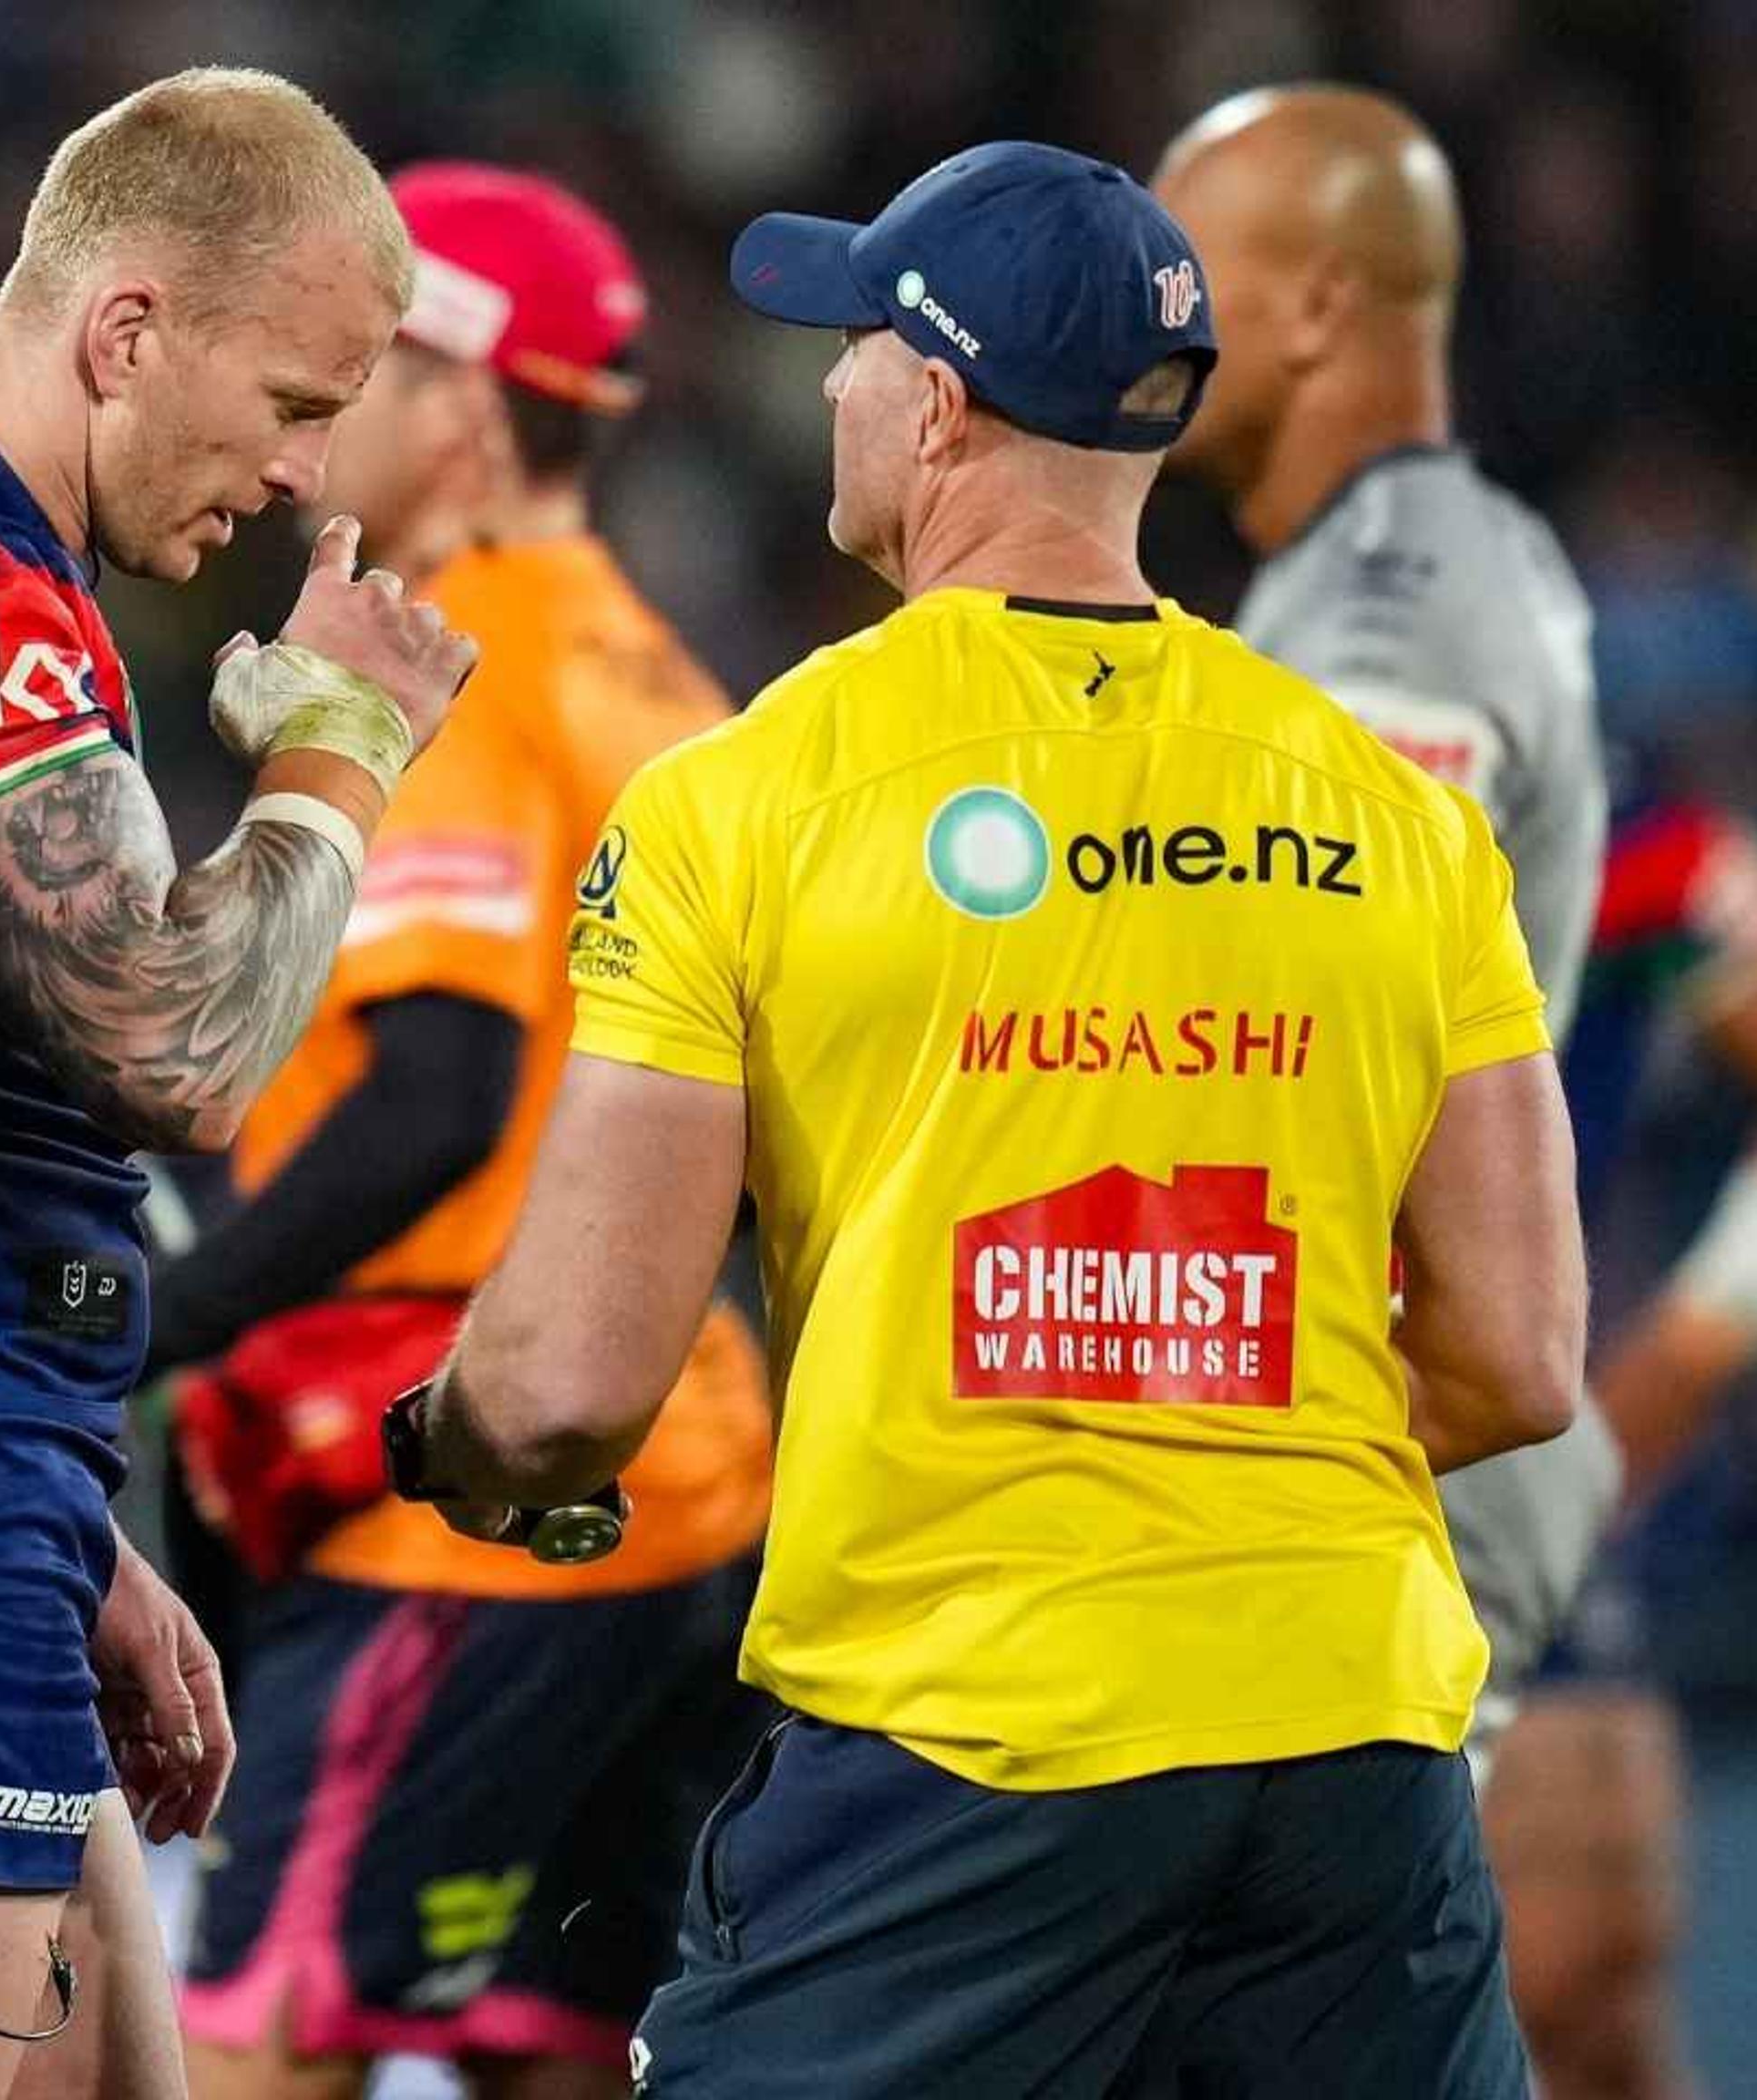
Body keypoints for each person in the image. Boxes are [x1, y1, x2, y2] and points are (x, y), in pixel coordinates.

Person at [392, 143, 1579, 2096]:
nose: (831, 382)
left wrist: (441, 1441)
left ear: (936, 405)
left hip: (964, 1750)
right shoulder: (1402, 818)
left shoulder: (742, 803)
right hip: (1350, 1751)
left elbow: (568, 1392)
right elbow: (1520, 1357)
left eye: (856, 344)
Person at [0, 68, 479, 2100]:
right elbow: (175, 1047)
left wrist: (82, 1534)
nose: (308, 474)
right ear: (127, 331)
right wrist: (341, 756)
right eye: (292, 403)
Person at [160, 165, 772, 2100]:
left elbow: (434, 1097)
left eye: (360, 368)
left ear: (472, 409)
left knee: (250, 2044)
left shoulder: (458, 673)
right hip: (679, 1482)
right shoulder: (671, 685)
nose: (313, 415)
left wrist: (155, 1324)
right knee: (556, 2050)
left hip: (458, 1494)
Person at [1149, 84, 1661, 2098]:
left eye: (1195, 268)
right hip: (1394, 1415)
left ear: (1316, 304)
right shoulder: (1407, 563)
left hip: (1382, 1428)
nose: (1157, 312)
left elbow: (1299, 1032)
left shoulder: (1391, 609)